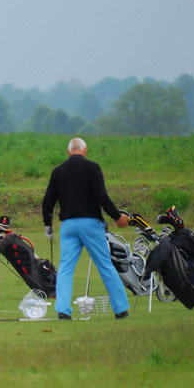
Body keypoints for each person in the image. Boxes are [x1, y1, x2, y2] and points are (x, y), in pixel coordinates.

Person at [42, 137, 130, 319]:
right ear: (85, 150)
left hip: (68, 226)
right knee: (105, 265)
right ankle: (120, 309)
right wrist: (116, 216)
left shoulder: (58, 171)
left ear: (69, 151)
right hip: (91, 223)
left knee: (65, 268)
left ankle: (63, 310)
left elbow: (48, 201)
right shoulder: (93, 168)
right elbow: (101, 196)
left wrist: (48, 225)